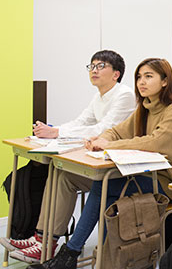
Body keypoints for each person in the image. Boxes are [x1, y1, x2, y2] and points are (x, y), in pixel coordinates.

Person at [27, 58, 172, 269]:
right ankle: (54, 245)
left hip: (170, 182)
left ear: (165, 81)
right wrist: (104, 139)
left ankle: (72, 253)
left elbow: (159, 143)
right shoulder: (145, 107)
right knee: (72, 178)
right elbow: (117, 130)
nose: (141, 82)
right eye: (139, 77)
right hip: (145, 175)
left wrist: (110, 146)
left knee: (106, 185)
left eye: (148, 76)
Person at [2, 50, 136, 263]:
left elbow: (103, 128)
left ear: (116, 74)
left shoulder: (124, 95)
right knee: (62, 175)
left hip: (119, 171)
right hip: (100, 164)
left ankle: (45, 243)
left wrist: (57, 133)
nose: (94, 70)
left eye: (101, 66)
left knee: (64, 173)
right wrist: (53, 130)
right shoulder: (98, 96)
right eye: (91, 66)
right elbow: (82, 122)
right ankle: (42, 241)